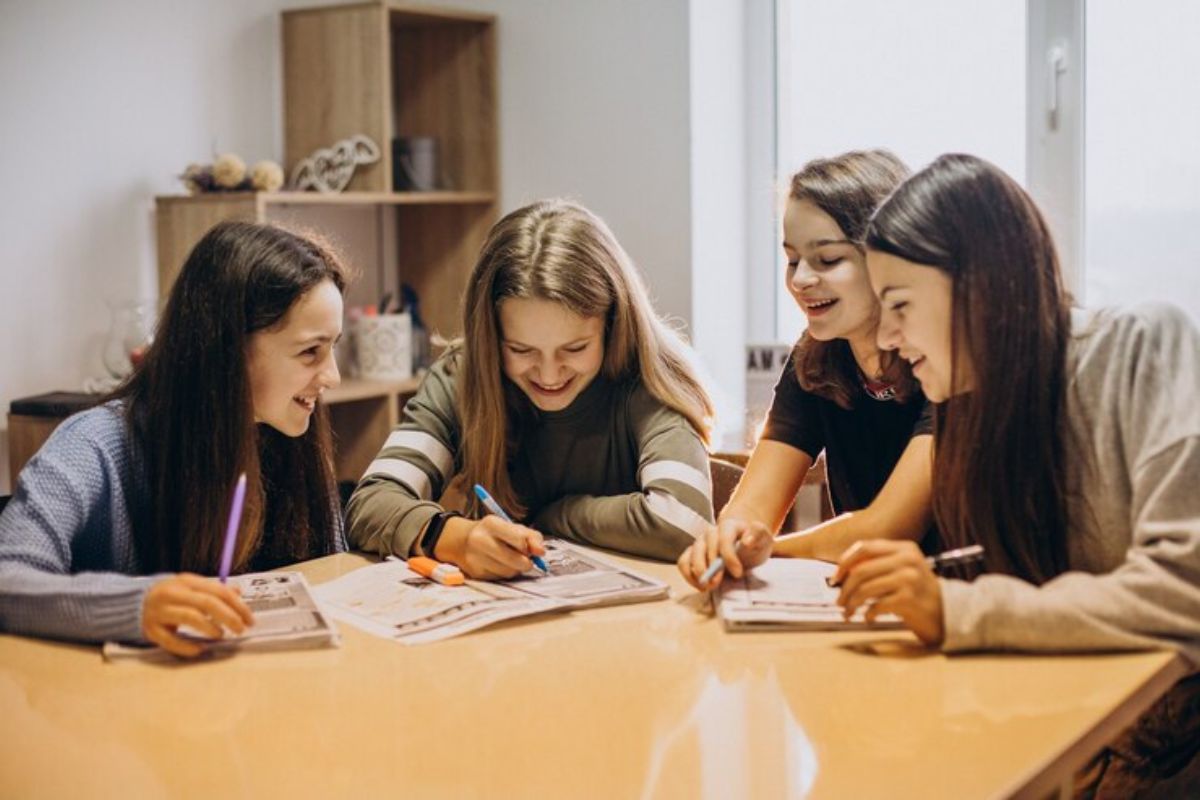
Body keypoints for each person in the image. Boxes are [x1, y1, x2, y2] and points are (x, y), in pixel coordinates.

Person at [837, 153, 1200, 795]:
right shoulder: (971, 408)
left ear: (980, 287)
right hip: (1072, 740)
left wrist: (959, 609)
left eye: (898, 304)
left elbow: (1184, 590)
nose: (887, 337)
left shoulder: (1141, 343)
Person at [0, 221, 349, 657]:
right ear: (226, 351)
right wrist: (136, 606)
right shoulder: (93, 445)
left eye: (333, 346)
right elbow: (7, 579)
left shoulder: (292, 432)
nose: (332, 377)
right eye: (309, 352)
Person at [347, 199, 715, 578]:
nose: (550, 374)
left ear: (613, 324)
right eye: (520, 350)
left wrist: (556, 514)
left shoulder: (646, 377)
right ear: (490, 337)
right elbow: (370, 503)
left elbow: (683, 521)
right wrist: (456, 537)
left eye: (575, 349)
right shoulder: (464, 377)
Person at [679, 150, 935, 590]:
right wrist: (731, 537)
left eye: (827, 260)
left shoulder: (944, 361)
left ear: (889, 258)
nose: (799, 281)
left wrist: (769, 549)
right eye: (792, 259)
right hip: (867, 598)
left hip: (956, 604)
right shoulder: (816, 355)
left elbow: (888, 528)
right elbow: (752, 508)